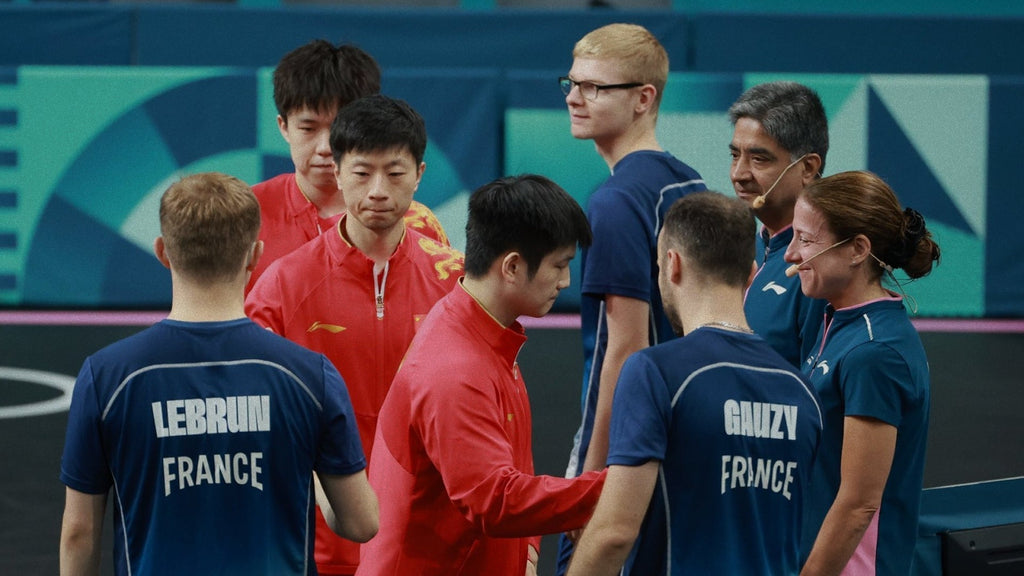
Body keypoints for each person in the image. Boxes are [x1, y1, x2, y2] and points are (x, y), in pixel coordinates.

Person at [59, 173, 377, 576]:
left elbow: (78, 533)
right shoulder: (310, 376)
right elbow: (361, 523)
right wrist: (312, 471)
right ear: (256, 254)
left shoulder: (107, 377)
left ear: (162, 251)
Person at [245, 94, 464, 576]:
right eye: (362, 174)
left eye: (396, 172)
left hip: (438, 528)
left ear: (421, 174)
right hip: (320, 531)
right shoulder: (282, 285)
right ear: (339, 173)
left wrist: (526, 545)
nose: (379, 191)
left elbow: (500, 411)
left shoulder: (459, 283)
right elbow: (256, 413)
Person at [358, 174, 606, 576]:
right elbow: (495, 500)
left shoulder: (485, 332)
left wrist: (524, 547)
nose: (565, 281)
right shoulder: (455, 368)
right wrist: (615, 489)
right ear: (511, 266)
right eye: (559, 265)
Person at [566, 191, 823, 576]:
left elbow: (614, 533)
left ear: (672, 264)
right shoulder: (803, 393)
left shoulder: (655, 372)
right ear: (752, 274)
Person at [557, 23, 708, 571]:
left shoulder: (616, 202)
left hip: (631, 443)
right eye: (572, 83)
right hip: (684, 432)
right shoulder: (689, 182)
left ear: (645, 98)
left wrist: (592, 478)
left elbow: (623, 348)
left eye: (596, 87)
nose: (575, 97)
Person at [783, 171, 940, 575]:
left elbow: (858, 504)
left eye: (806, 239)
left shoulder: (875, 353)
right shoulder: (837, 322)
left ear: (856, 249)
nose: (791, 254)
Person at [246, 39, 448, 295]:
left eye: (338, 126)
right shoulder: (243, 217)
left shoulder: (419, 224)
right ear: (283, 127)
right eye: (308, 128)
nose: (325, 147)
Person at [728, 81, 830, 368]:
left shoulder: (826, 266)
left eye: (759, 159)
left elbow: (818, 393)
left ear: (808, 168)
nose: (738, 174)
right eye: (735, 155)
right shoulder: (747, 246)